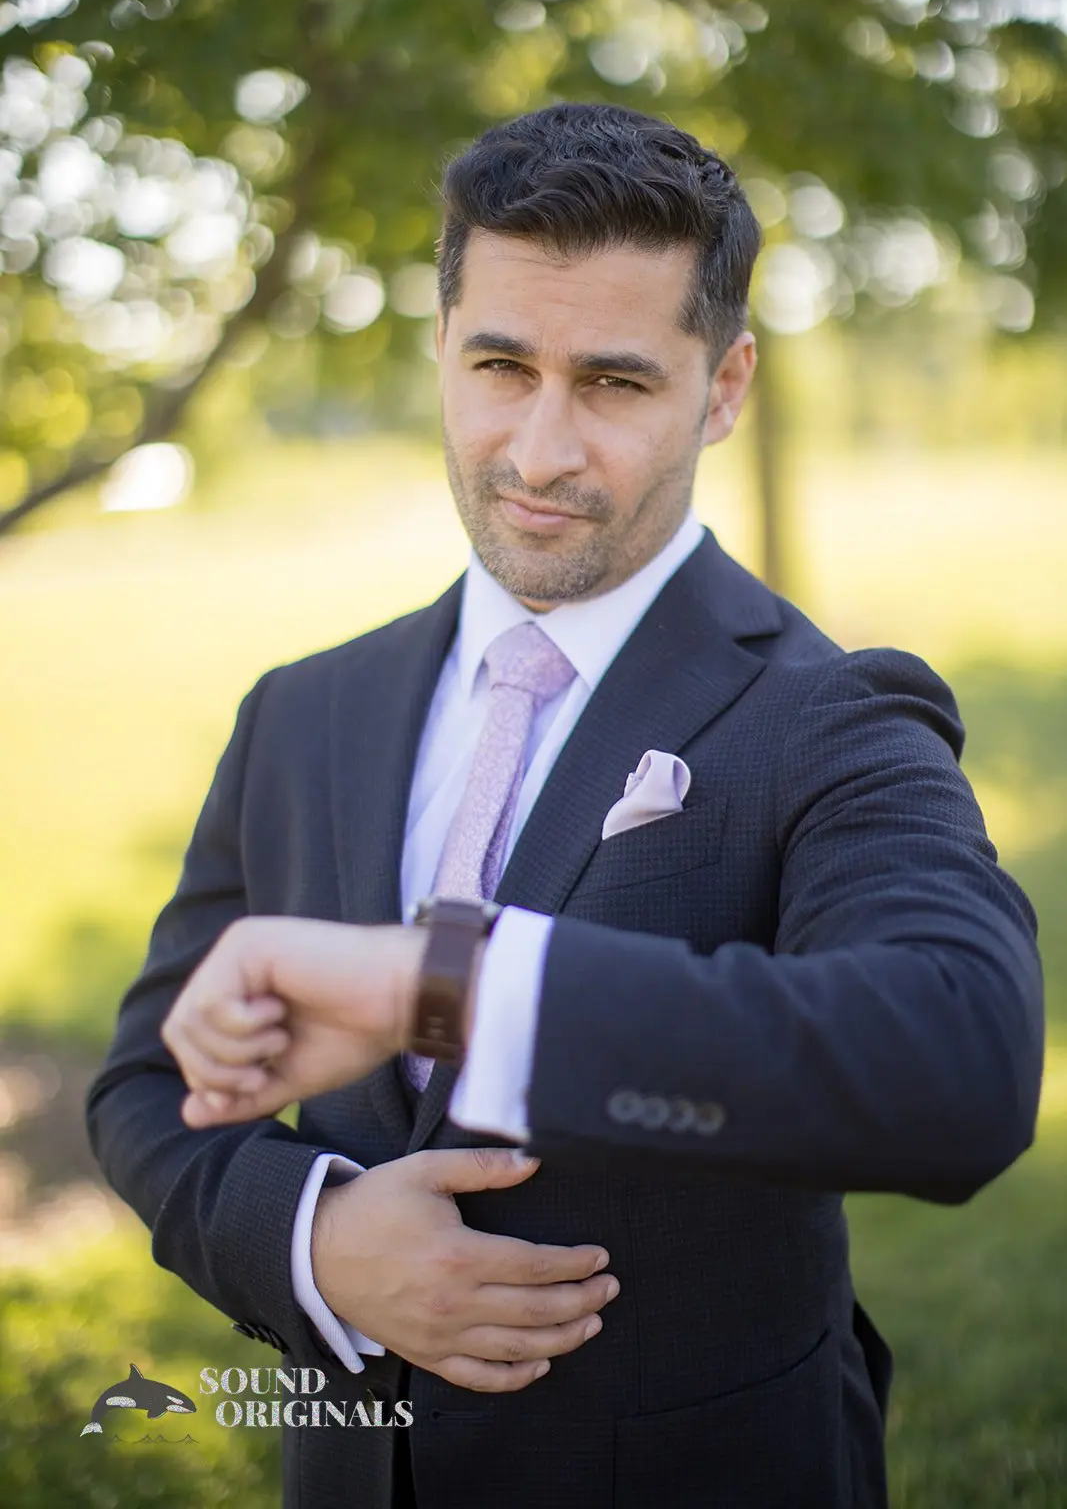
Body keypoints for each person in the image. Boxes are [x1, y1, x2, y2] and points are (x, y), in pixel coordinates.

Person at [85, 102, 1044, 1509]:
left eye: (613, 383)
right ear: (441, 348)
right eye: (500, 367)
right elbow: (145, 1086)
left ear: (723, 387)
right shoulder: (302, 710)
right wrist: (311, 1239)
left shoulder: (831, 712)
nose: (538, 453)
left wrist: (442, 985)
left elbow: (959, 1066)